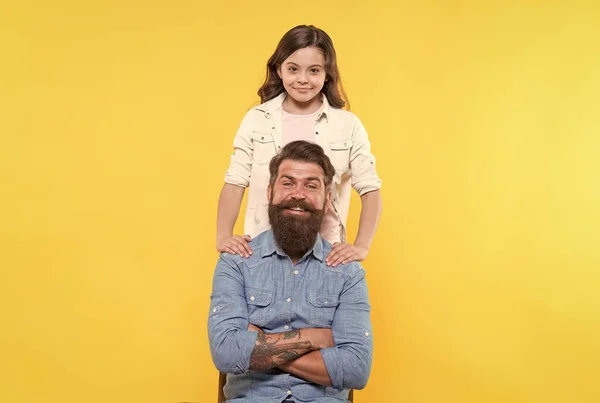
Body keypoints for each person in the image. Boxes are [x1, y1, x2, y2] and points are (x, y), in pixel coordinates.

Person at [208, 141, 373, 403]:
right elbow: (226, 353)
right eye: (288, 183)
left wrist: (258, 342)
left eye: (311, 185)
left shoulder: (348, 273)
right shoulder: (236, 263)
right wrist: (315, 338)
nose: (298, 194)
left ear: (327, 198)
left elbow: (356, 369)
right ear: (270, 191)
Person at [216, 24, 382, 268]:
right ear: (279, 69)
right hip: (262, 251)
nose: (303, 79)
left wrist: (362, 245)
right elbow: (235, 181)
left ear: (327, 74)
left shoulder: (347, 124)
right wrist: (223, 236)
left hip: (327, 255)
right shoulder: (257, 118)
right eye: (293, 69)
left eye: (314, 70)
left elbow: (370, 188)